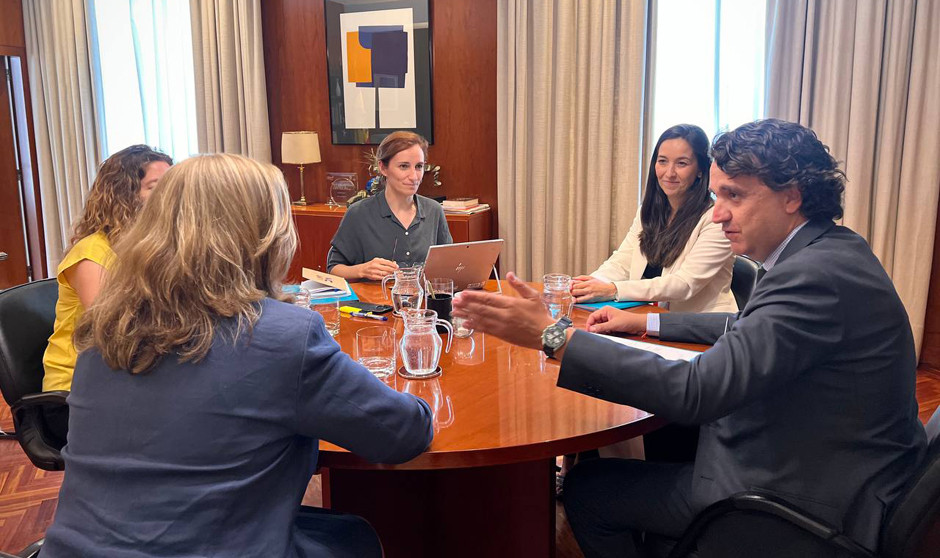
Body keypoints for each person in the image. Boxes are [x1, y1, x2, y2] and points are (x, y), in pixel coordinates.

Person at [452, 119, 927, 557]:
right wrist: (648, 323)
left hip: (802, 495)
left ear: (792, 195)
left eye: (734, 196)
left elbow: (697, 391)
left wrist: (553, 336)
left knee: (589, 489)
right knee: (662, 440)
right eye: (717, 195)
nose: (717, 215)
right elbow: (746, 328)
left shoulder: (813, 276)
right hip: (826, 459)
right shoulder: (829, 251)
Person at [41, 154, 433, 557]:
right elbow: (404, 434)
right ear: (264, 236)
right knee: (354, 538)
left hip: (76, 550)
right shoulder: (284, 337)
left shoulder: (105, 325)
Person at [43, 145, 172, 393]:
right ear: (124, 194)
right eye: (155, 188)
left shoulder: (149, 248)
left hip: (127, 371)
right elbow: (114, 332)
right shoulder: (91, 253)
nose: (169, 197)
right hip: (76, 388)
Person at [571, 124, 736, 313]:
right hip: (650, 319)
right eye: (663, 161)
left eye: (681, 163)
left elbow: (684, 284)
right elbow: (622, 262)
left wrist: (613, 290)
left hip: (701, 328)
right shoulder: (648, 211)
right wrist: (588, 285)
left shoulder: (716, 219)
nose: (669, 172)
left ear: (700, 170)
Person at [327, 131, 452, 280]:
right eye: (404, 166)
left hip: (422, 301)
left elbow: (449, 265)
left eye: (419, 166)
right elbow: (333, 269)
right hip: (373, 301)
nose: (414, 176)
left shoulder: (434, 210)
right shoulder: (358, 213)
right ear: (383, 168)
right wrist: (362, 270)